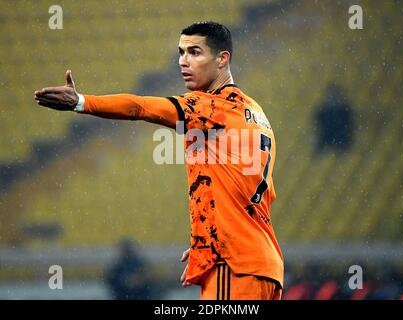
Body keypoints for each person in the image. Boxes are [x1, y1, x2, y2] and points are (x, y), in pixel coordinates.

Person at [34, 21, 284, 300]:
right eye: (181, 52)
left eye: (195, 52)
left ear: (222, 59)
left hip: (234, 265)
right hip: (264, 265)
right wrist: (211, 232)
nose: (183, 61)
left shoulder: (211, 106)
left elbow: (140, 107)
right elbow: (256, 193)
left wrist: (82, 101)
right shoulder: (255, 112)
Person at [314, 84, 354, 154]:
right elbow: (317, 130)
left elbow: (350, 128)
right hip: (326, 144)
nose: (332, 97)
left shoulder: (345, 111)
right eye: (330, 95)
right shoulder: (322, 113)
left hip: (341, 144)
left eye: (334, 95)